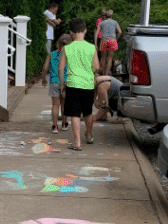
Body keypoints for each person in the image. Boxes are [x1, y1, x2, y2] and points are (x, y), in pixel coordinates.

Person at [59, 17, 99, 150]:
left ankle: (77, 142)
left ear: (71, 32)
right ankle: (88, 135)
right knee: (88, 112)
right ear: (86, 31)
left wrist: (62, 83)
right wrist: (90, 71)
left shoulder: (67, 48)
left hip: (73, 83)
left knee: (75, 113)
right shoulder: (92, 47)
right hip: (88, 84)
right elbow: (97, 66)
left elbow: (61, 68)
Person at [42, 31, 72, 133]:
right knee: (64, 104)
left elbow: (45, 68)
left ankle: (54, 126)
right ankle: (64, 124)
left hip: (54, 81)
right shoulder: (70, 55)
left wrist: (43, 79)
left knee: (55, 105)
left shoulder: (52, 54)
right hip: (66, 82)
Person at [96, 9, 122, 76]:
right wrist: (116, 39)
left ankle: (103, 74)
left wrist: (96, 43)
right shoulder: (115, 22)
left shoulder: (102, 23)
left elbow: (96, 33)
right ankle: (106, 75)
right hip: (112, 40)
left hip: (104, 40)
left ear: (106, 16)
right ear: (111, 16)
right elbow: (120, 32)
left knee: (103, 58)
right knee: (110, 59)